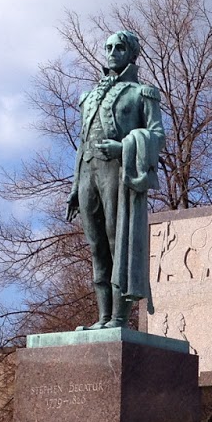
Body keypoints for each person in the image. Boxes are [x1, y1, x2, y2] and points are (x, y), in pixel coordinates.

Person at [67, 29, 165, 328]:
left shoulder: (142, 93)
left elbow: (157, 135)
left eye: (119, 48)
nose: (112, 52)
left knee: (115, 242)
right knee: (95, 245)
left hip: (117, 171)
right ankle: (102, 318)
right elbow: (82, 142)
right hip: (87, 172)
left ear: (132, 53)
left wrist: (124, 147)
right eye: (108, 47)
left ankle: (119, 319)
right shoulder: (88, 95)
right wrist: (74, 187)